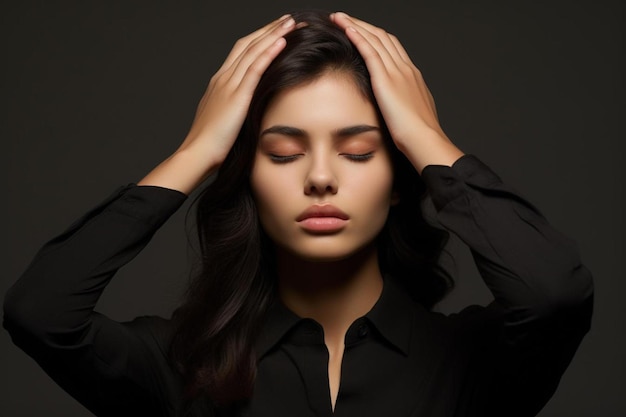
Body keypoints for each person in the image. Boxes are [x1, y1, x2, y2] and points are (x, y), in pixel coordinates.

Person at [3, 10, 593, 417]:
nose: (319, 177)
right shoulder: (184, 369)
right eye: (283, 153)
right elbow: (40, 313)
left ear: (398, 181)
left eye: (358, 151)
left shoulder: (469, 363)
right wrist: (197, 152)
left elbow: (554, 294)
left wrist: (424, 137)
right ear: (249, 181)